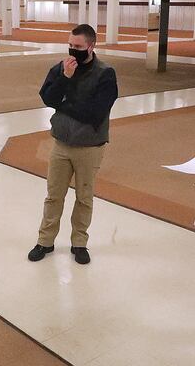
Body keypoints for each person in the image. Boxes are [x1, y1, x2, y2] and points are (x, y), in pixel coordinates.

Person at [27, 24, 118, 265]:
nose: (73, 50)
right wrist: (65, 80)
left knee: (84, 197)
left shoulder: (105, 73)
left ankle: (80, 243)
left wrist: (64, 104)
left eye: (78, 46)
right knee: (53, 195)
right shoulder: (62, 68)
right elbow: (47, 97)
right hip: (61, 144)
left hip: (90, 146)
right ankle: (45, 241)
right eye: (70, 45)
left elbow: (95, 113)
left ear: (91, 45)